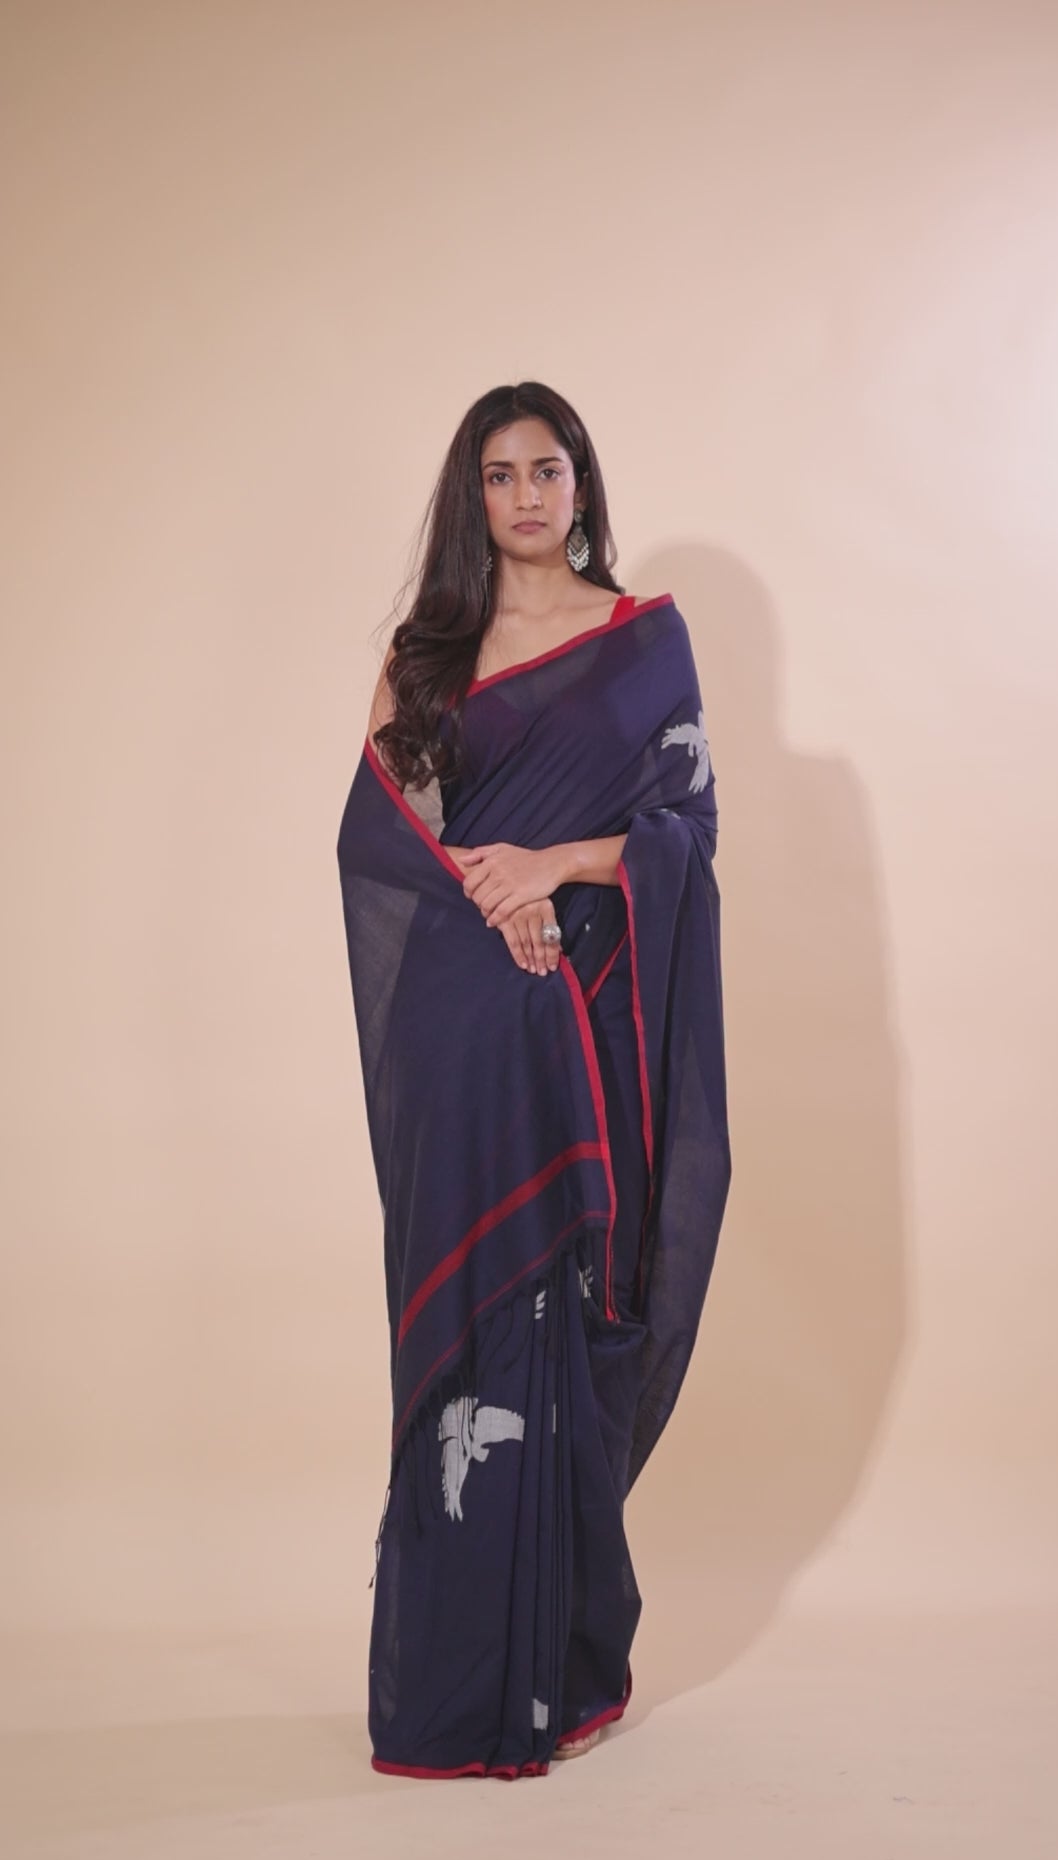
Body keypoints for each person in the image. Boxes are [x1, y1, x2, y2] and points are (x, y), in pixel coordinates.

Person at [336, 381, 731, 1779]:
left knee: (568, 1310)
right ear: (472, 494)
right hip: (464, 1030)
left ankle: (558, 1674)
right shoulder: (426, 657)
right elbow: (384, 839)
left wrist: (548, 870)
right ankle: (451, 1691)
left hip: (585, 1019)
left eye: (546, 469)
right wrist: (488, 906)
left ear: (581, 485)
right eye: (498, 474)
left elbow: (685, 834)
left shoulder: (642, 643)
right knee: (465, 1328)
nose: (523, 495)